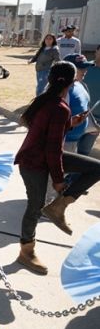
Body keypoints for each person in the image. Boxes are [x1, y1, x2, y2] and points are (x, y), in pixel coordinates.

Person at [15, 62, 100, 274]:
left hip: (43, 156)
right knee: (35, 207)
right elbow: (52, 148)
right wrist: (59, 179)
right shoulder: (57, 106)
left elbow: (46, 130)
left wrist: (70, 123)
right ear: (73, 82)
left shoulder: (46, 101)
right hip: (34, 163)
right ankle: (26, 251)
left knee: (96, 168)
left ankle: (58, 206)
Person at [64, 54, 98, 156]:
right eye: (81, 68)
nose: (85, 70)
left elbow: (86, 108)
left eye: (86, 67)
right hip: (65, 142)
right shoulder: (63, 90)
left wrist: (93, 125)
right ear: (69, 69)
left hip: (77, 138)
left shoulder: (82, 85)